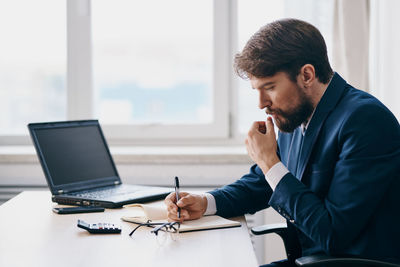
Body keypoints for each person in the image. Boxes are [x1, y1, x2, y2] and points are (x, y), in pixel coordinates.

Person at [165, 18, 400, 266]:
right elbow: (263, 182)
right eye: (257, 90)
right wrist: (206, 202)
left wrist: (269, 162)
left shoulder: (365, 121)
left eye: (270, 87)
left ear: (307, 75)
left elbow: (333, 233)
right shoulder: (296, 113)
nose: (261, 102)